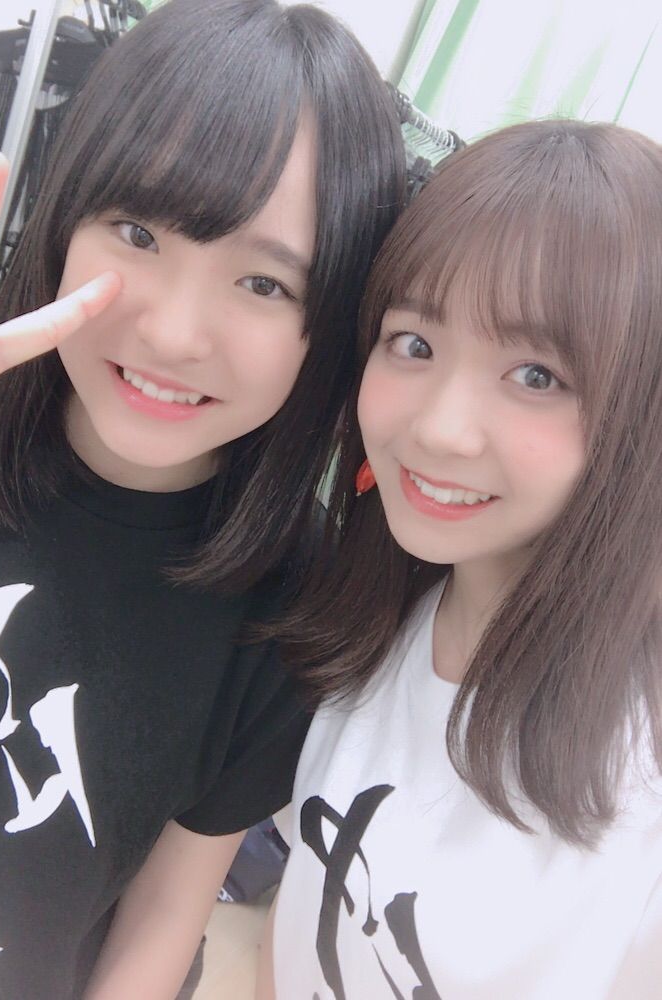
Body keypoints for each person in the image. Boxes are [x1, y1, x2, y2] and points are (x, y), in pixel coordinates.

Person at [0, 1, 408, 997]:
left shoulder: (289, 609)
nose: (176, 333)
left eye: (264, 285)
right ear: (67, 215)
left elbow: (162, 920)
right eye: (138, 231)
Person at [264, 120, 662, 999]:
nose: (441, 429)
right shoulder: (373, 621)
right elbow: (297, 925)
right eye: (414, 343)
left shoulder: (641, 773)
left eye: (536, 376)